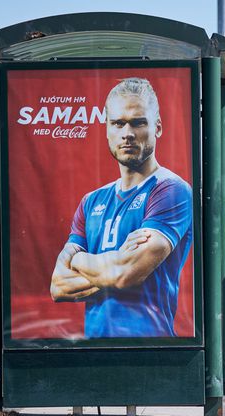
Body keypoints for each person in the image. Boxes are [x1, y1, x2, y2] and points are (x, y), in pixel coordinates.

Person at [50, 77, 193, 338]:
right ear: (107, 129)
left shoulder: (172, 191)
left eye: (138, 122)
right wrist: (115, 266)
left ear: (157, 127)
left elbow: (125, 275)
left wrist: (79, 260)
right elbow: (58, 286)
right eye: (117, 123)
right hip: (93, 349)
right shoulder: (91, 201)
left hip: (152, 350)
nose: (127, 133)